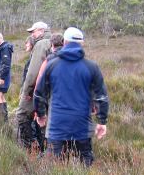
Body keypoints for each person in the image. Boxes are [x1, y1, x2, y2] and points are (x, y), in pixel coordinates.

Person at [34, 27, 109, 166]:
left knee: (54, 170)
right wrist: (102, 121)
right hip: (82, 128)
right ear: (82, 43)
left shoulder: (52, 65)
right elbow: (101, 97)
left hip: (56, 127)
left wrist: (41, 115)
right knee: (85, 167)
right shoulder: (91, 67)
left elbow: (39, 94)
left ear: (65, 42)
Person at [16, 21, 51, 149]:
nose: (32, 34)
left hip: (39, 90)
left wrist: (26, 92)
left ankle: (31, 149)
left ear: (41, 31)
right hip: (52, 90)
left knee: (22, 114)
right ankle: (44, 149)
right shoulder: (55, 40)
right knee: (43, 117)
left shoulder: (42, 44)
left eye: (33, 31)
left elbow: (33, 73)